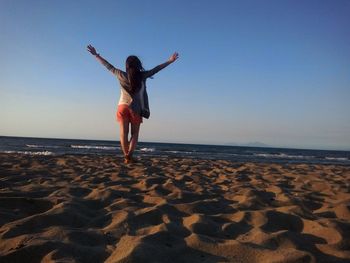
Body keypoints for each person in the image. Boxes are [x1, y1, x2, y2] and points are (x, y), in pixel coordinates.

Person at [87, 44, 179, 163]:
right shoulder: (142, 76)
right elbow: (156, 69)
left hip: (122, 107)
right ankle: (129, 155)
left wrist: (96, 55)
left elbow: (108, 66)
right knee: (134, 134)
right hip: (136, 108)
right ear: (138, 65)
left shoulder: (120, 74)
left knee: (123, 133)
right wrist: (170, 61)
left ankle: (126, 156)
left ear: (127, 65)